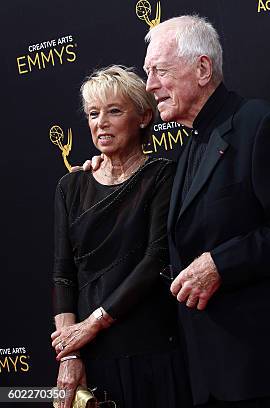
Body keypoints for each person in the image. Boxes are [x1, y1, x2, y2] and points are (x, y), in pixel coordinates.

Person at [86, 15, 270, 407]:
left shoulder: (257, 125)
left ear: (202, 69)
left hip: (267, 375)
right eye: (148, 74)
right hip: (208, 379)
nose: (149, 87)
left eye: (160, 71)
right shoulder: (188, 151)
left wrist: (220, 264)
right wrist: (101, 170)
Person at [51, 65, 191, 407]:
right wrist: (70, 355)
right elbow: (63, 273)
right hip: (92, 356)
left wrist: (94, 324)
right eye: (94, 113)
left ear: (143, 117)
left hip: (151, 347)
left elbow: (156, 259)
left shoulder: (162, 175)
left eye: (114, 111)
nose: (101, 122)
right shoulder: (71, 185)